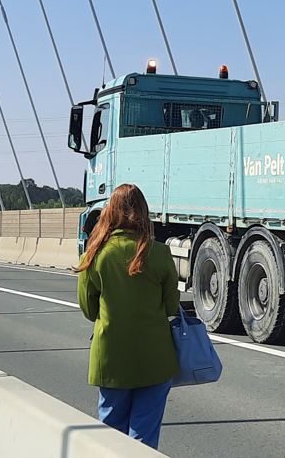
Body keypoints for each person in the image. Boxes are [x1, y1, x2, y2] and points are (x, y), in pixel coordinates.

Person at [76, 184, 179, 451]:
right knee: (143, 439)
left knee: (109, 436)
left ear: (110, 211)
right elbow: (171, 307)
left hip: (111, 360)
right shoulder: (159, 253)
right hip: (155, 359)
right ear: (144, 212)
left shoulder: (96, 253)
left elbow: (88, 309)